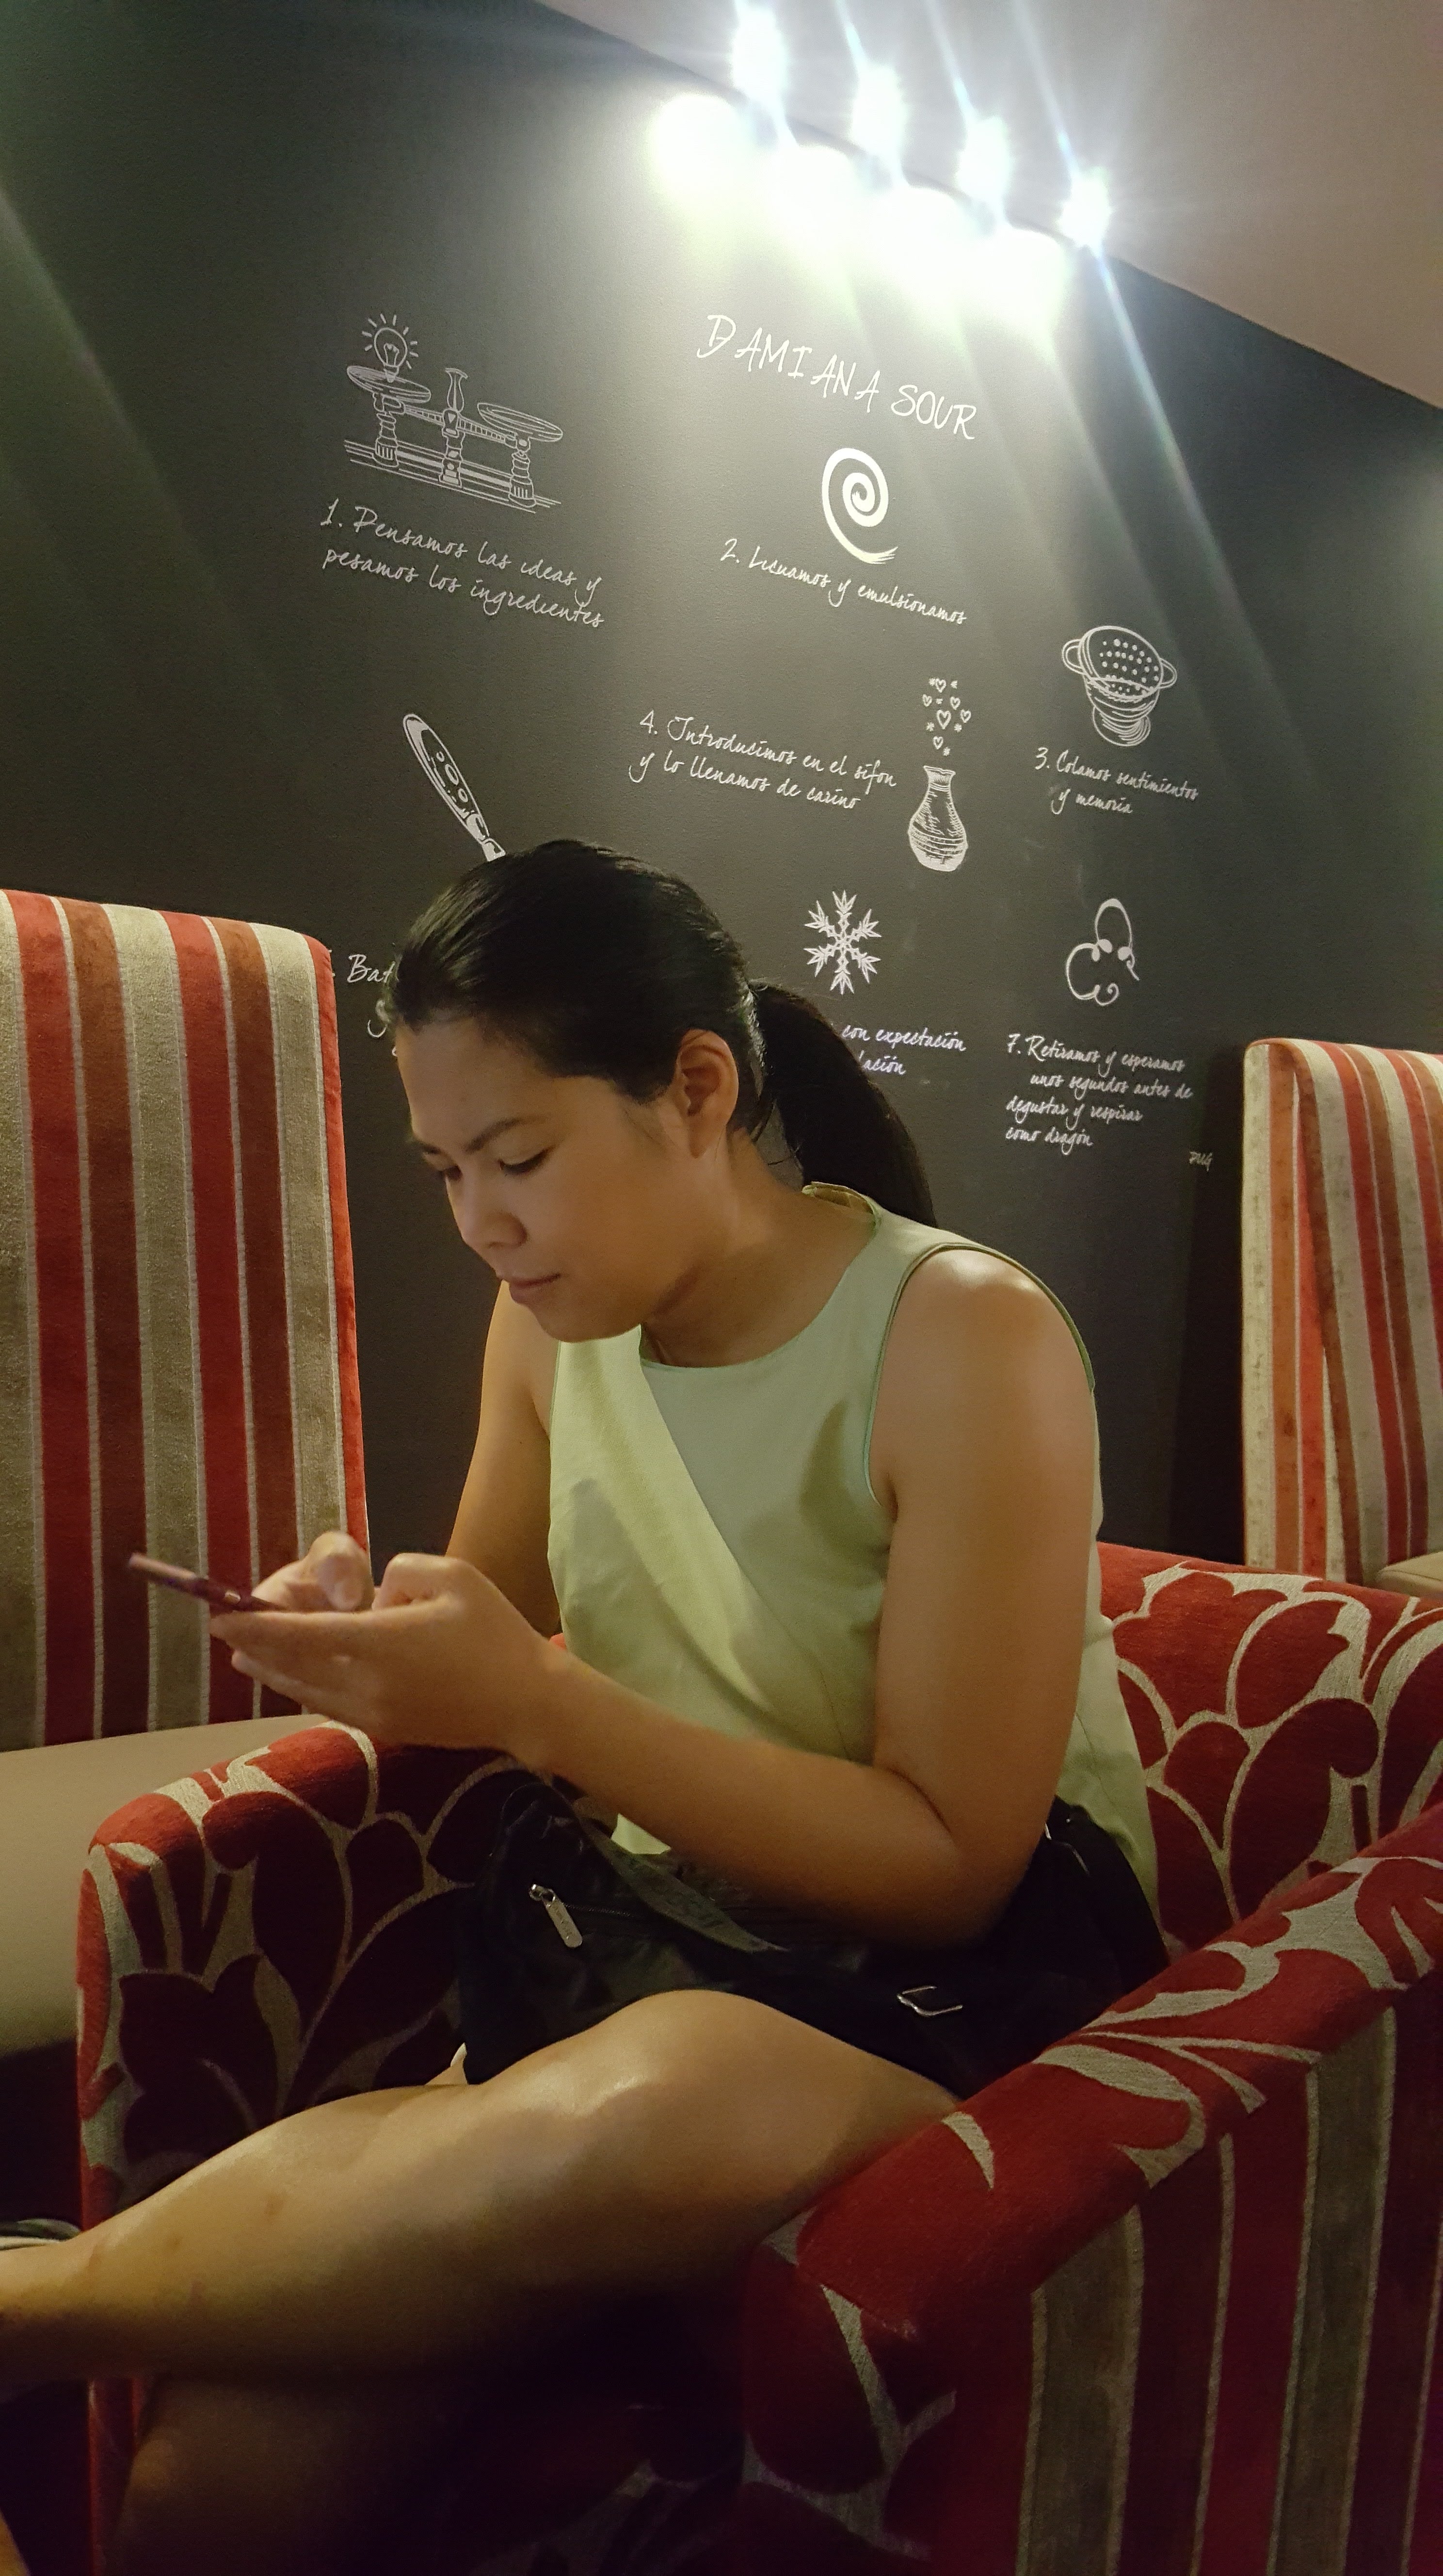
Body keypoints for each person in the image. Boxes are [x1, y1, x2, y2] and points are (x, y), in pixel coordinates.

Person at [0, 842, 1161, 2575]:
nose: (482, 1221)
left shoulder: (960, 1336)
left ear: (696, 1089)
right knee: (210, 2487)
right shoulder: (547, 1324)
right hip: (645, 1937)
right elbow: (481, 1628)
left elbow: (951, 1866)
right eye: (445, 1170)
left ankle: (30, 2306)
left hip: (955, 1990)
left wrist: (539, 1704)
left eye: (521, 1158)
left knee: (658, 2105)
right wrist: (361, 1629)